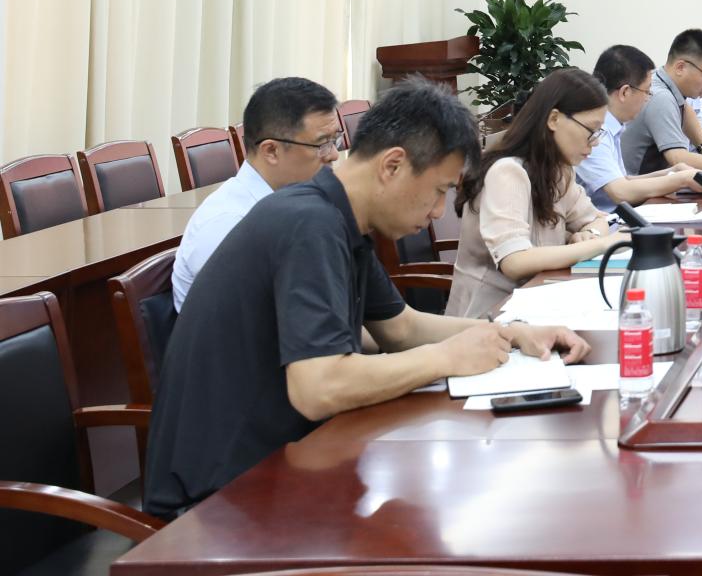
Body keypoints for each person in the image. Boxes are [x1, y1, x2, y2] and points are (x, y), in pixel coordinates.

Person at [144, 79, 589, 519]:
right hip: (219, 503)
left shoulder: (338, 216)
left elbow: (402, 327)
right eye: (439, 190)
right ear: (392, 165)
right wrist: (446, 357)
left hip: (284, 462)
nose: (438, 212)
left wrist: (511, 333)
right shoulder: (309, 224)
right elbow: (317, 389)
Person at [447, 68, 630, 319]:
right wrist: (600, 244)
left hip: (540, 301)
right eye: (591, 130)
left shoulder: (558, 169)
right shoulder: (507, 172)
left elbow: (599, 219)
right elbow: (515, 261)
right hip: (491, 316)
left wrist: (590, 234)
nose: (595, 142)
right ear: (553, 119)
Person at [173, 77, 341, 310]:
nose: (334, 155)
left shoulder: (294, 205)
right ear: (271, 151)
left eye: (335, 140)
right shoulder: (228, 226)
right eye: (322, 144)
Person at [576, 44, 699, 212]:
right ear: (625, 92)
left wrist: (673, 172)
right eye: (647, 91)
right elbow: (620, 191)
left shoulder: (613, 126)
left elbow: (623, 180)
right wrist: (682, 179)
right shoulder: (596, 131)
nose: (648, 99)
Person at [620, 29, 702, 176]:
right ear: (680, 67)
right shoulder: (661, 97)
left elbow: (686, 110)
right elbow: (677, 158)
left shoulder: (663, 80)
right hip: (638, 187)